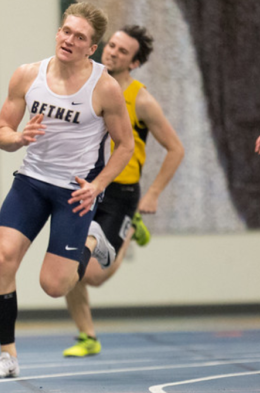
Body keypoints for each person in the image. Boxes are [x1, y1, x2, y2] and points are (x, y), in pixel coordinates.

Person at [0, 2, 134, 379]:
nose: (69, 40)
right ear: (58, 32)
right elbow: (1, 131)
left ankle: (92, 241)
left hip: (75, 191)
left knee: (54, 286)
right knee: (2, 260)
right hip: (32, 182)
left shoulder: (105, 87)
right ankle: (7, 356)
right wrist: (17, 138)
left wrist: (98, 185)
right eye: (66, 31)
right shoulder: (27, 76)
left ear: (91, 47)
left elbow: (125, 145)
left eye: (79, 37)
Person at [63, 26, 185, 357]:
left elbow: (175, 149)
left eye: (122, 51)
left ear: (134, 63)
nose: (113, 52)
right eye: (112, 45)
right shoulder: (85, 82)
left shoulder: (141, 100)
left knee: (94, 276)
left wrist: (154, 193)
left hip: (120, 193)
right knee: (67, 265)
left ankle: (131, 226)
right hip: (85, 187)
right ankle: (87, 335)